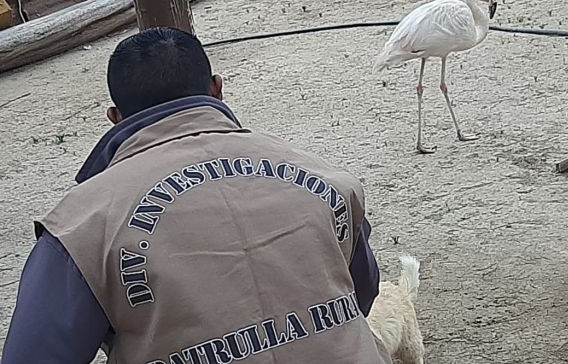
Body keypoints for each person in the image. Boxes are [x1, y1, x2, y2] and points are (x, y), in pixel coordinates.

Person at [2, 27, 391, 364]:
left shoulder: (81, 227)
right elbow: (363, 292)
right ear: (217, 89)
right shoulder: (324, 177)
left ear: (115, 118)